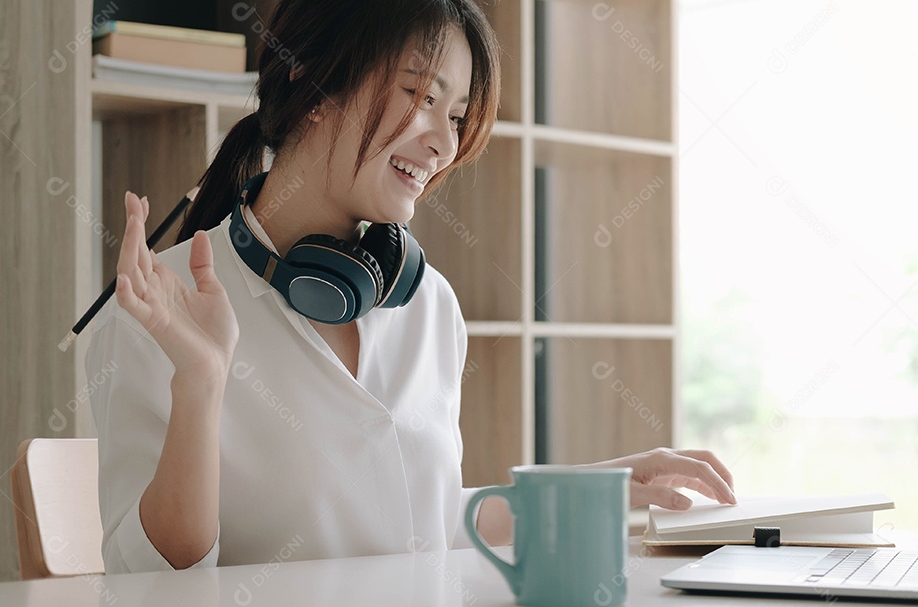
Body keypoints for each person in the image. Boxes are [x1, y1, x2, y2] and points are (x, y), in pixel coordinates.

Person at [87, 0, 736, 574]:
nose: (444, 143)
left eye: (456, 115)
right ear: (313, 81)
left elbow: (426, 526)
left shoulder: (428, 305)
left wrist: (610, 484)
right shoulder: (157, 310)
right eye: (422, 97)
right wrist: (200, 386)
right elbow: (148, 576)